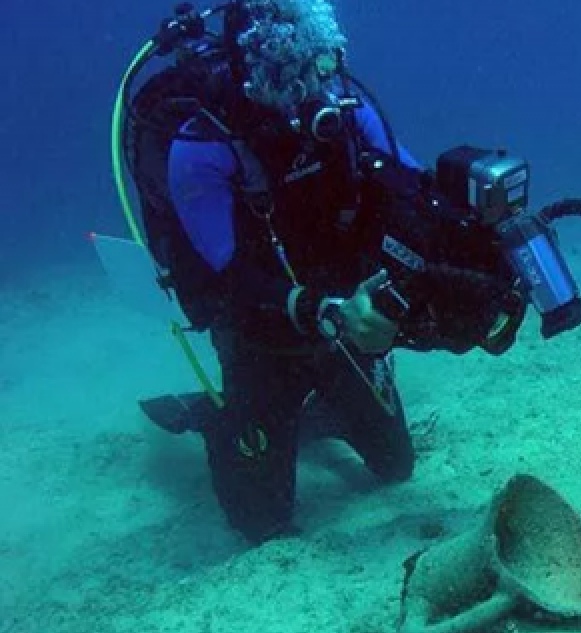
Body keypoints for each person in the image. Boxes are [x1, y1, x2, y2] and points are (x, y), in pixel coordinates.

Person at [159, 0, 421, 542]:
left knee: (396, 466)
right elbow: (227, 273)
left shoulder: (347, 112)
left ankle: (320, 407)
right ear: (249, 69)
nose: (309, 89)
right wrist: (316, 307)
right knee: (261, 523)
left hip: (339, 328)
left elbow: (414, 192)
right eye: (288, 71)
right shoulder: (202, 145)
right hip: (261, 340)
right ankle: (219, 417)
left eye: (319, 67)